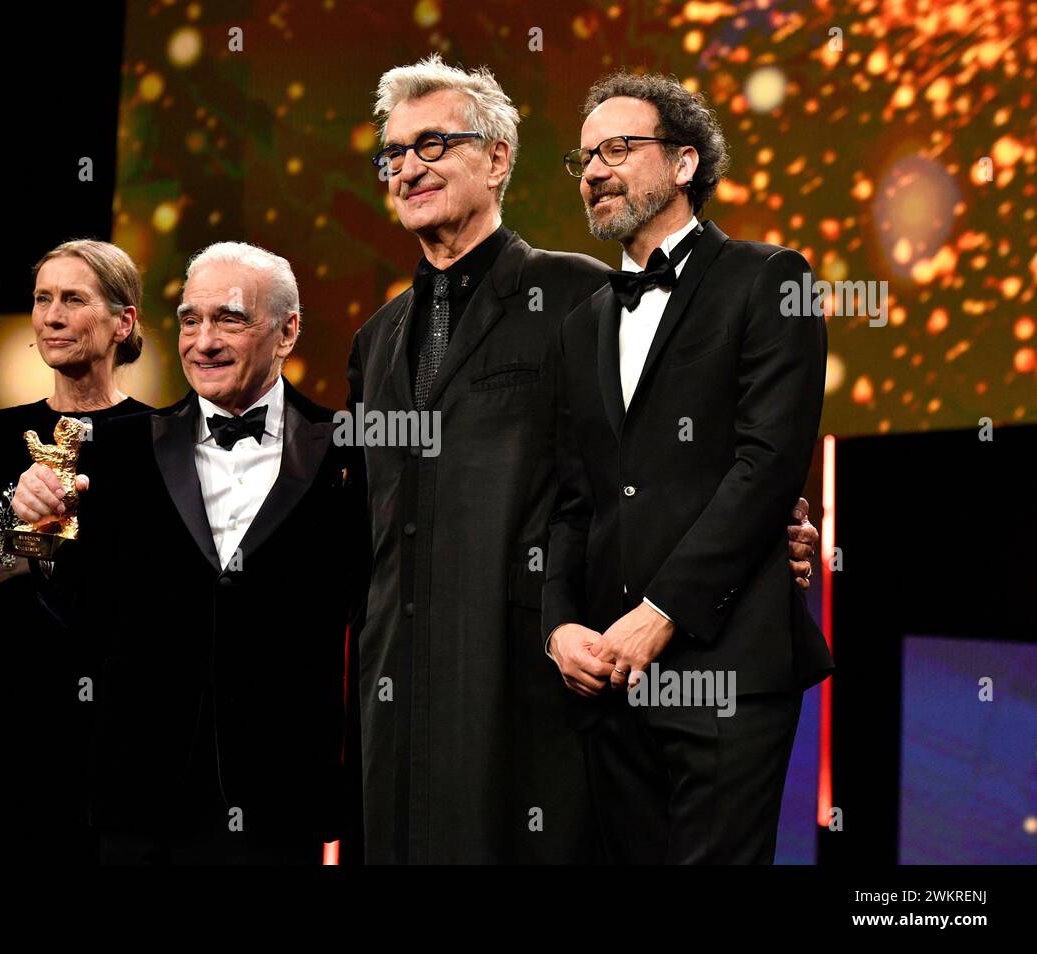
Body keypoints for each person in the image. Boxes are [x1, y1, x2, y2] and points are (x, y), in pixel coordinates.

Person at [349, 55, 819, 863]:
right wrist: (570, 623)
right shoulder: (379, 339)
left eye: (433, 143)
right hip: (454, 682)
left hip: (564, 694)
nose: (409, 167)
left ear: (498, 159)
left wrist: (770, 530)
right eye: (393, 152)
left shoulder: (573, 293)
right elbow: (585, 491)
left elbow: (747, 457)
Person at [544, 71, 833, 864]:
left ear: (684, 164)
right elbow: (575, 501)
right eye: (583, 159)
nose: (596, 170)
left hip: (726, 668)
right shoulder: (582, 323)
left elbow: (768, 466)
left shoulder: (771, 277)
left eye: (617, 149)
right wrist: (559, 626)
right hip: (606, 679)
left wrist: (662, 612)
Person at [11, 242, 367, 864]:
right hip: (142, 795)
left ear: (288, 332)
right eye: (189, 320)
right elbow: (83, 612)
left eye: (229, 319)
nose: (203, 342)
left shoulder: (347, 450)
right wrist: (42, 534)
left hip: (282, 796)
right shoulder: (117, 448)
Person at [0, 239, 151, 865]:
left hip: (104, 734)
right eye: (43, 299)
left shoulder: (160, 439)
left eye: (74, 299)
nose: (51, 315)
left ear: (123, 321)